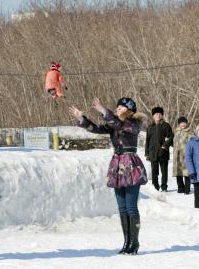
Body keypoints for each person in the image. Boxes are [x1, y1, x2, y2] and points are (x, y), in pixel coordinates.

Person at [69, 97, 147, 255]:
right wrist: (81, 118)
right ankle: (126, 242)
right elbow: (96, 128)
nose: (118, 108)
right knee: (122, 207)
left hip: (130, 165)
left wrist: (104, 111)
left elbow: (122, 125)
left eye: (121, 107)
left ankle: (134, 242)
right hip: (117, 166)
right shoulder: (115, 123)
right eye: (116, 106)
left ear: (129, 109)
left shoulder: (134, 123)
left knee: (131, 207)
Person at [145, 106, 173, 192]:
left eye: (160, 114)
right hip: (153, 152)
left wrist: (164, 146)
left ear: (162, 115)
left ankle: (164, 187)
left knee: (164, 171)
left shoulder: (166, 125)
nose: (158, 115)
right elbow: (147, 140)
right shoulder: (150, 127)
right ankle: (155, 187)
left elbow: (171, 137)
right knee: (154, 171)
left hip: (163, 152)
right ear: (153, 116)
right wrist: (147, 153)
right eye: (156, 114)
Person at [172, 116, 194, 194]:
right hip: (177, 155)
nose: (183, 124)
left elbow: (192, 143)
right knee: (178, 173)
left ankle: (187, 189)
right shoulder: (176, 131)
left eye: (184, 123)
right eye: (181, 123)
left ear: (186, 123)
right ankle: (180, 188)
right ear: (179, 124)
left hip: (185, 155)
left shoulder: (190, 132)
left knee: (186, 172)